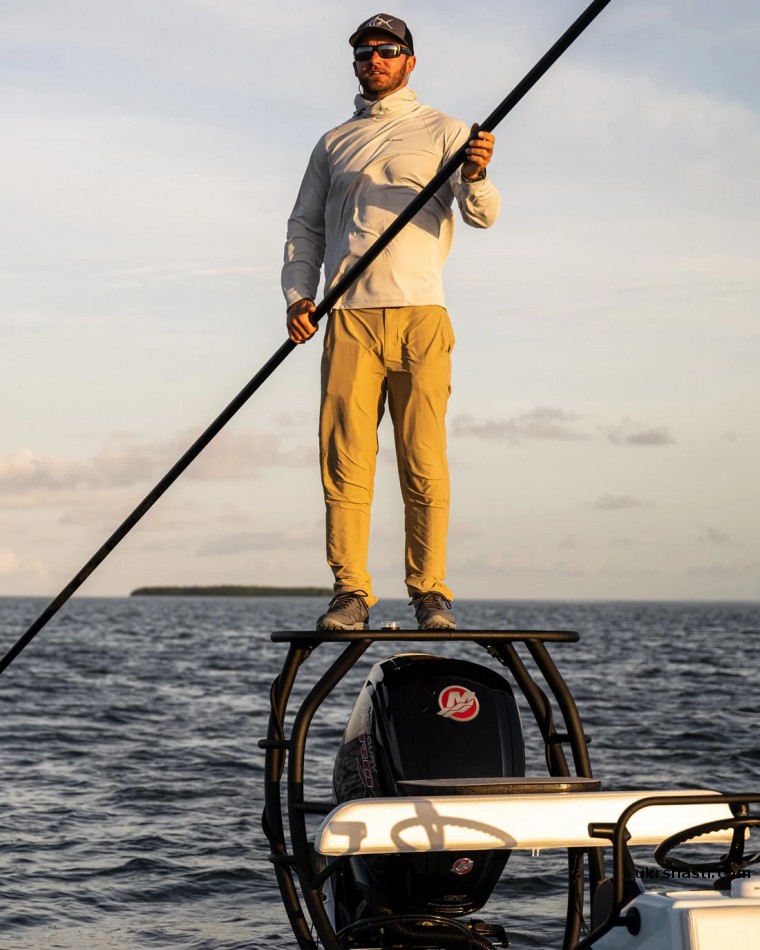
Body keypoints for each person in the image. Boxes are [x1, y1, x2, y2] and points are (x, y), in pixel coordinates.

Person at [282, 13, 499, 631]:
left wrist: (476, 173)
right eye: (364, 53)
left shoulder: (447, 130)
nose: (374, 60)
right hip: (348, 317)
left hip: (421, 316)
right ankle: (351, 592)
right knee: (344, 460)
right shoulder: (333, 142)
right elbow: (304, 226)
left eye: (387, 49)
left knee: (423, 459)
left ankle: (430, 594)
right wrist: (298, 296)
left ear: (410, 60)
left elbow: (482, 214)